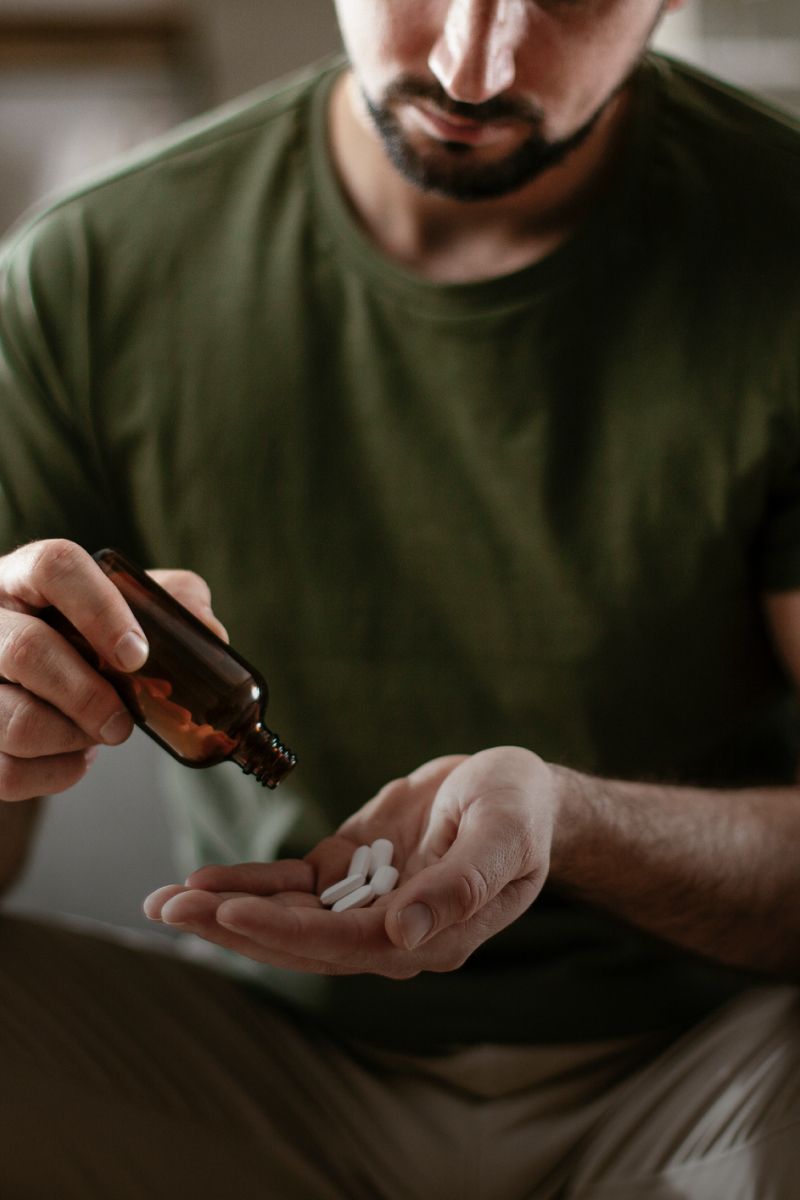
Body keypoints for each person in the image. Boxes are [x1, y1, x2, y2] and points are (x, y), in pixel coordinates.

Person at [0, 0, 798, 1195]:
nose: (469, 64)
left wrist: (571, 825)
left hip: (702, 1071)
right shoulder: (88, 273)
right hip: (260, 1070)